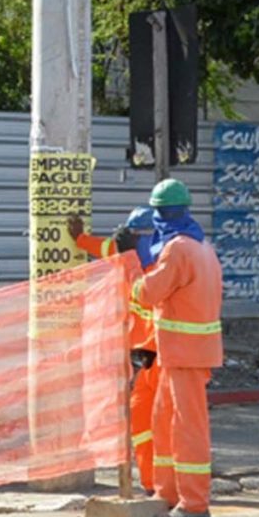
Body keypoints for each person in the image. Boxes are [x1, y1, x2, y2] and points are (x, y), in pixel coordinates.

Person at [129, 179, 224, 517]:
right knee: (164, 421)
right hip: (180, 353)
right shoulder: (202, 246)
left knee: (187, 427)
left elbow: (149, 292)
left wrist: (137, 272)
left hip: (186, 354)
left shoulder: (179, 249)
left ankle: (195, 503)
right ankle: (166, 492)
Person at [69, 201, 166, 491]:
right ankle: (152, 485)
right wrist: (80, 238)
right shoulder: (129, 254)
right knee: (140, 422)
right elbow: (102, 248)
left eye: (136, 236)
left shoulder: (163, 263)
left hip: (165, 354)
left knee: (161, 422)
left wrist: (132, 255)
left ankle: (168, 485)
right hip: (144, 356)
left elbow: (149, 291)